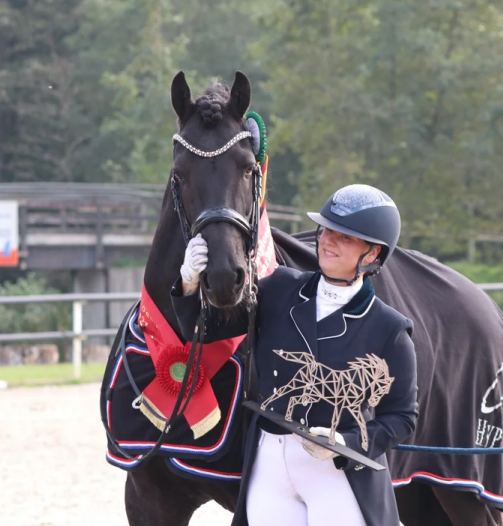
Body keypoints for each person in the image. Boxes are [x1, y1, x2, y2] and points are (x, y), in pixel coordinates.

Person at [171, 184, 418, 526]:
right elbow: (206, 333)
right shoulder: (278, 288)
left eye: (344, 237)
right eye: (327, 230)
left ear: (373, 254)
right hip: (269, 464)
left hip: (335, 471)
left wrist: (345, 441)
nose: (328, 240)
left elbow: (402, 417)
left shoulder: (388, 328)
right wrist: (188, 284)